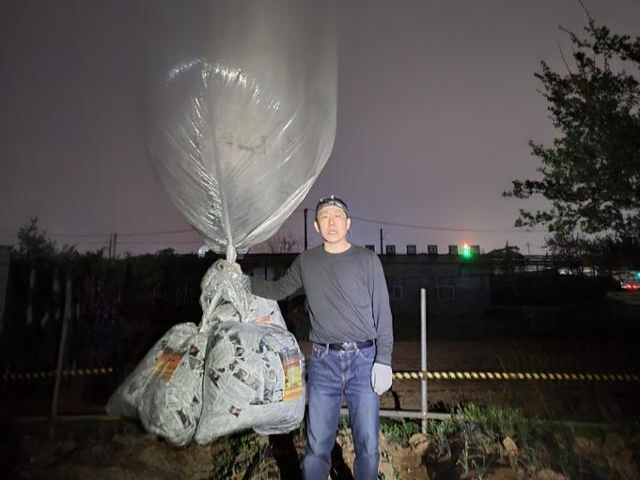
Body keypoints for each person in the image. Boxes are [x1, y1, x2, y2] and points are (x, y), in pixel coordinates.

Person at [250, 195, 393, 480]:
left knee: (367, 444)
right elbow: (279, 289)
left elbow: (383, 312)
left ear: (348, 223)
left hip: (364, 360)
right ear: (316, 226)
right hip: (323, 362)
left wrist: (384, 359)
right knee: (317, 446)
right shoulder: (307, 261)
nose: (331, 222)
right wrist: (241, 281)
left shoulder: (367, 259)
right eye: (325, 216)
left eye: (337, 216)